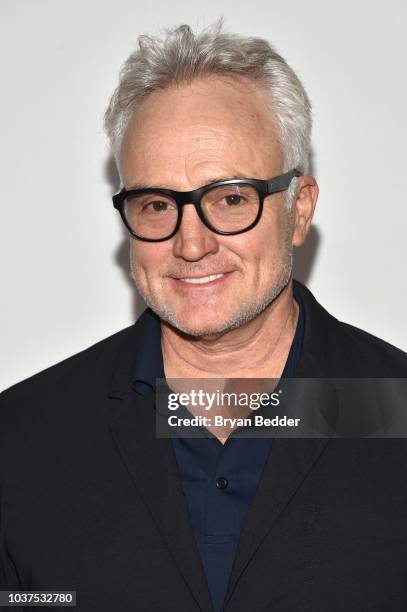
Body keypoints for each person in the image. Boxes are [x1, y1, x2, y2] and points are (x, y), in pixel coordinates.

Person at [1, 21, 407, 612]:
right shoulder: (20, 441)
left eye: (232, 198)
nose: (191, 244)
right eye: (158, 204)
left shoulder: (397, 409)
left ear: (299, 209)